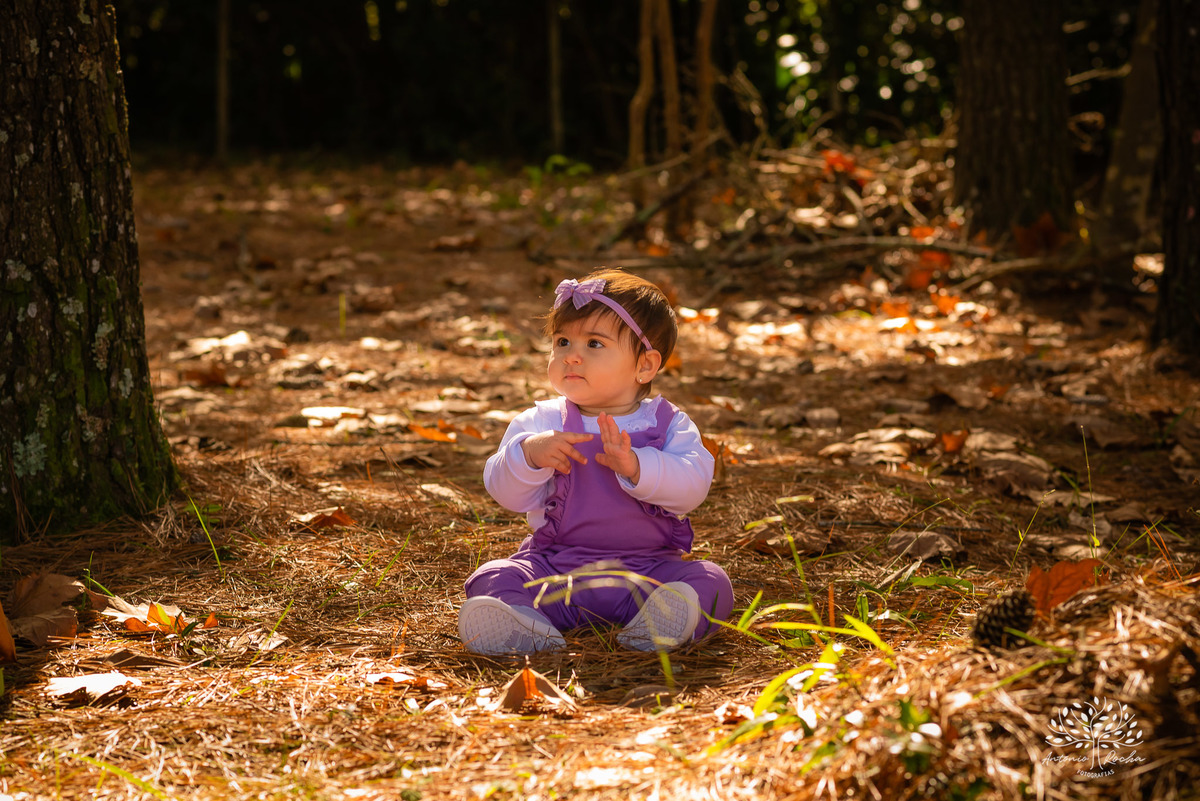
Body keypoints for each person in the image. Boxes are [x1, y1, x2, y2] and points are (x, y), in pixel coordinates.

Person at [459, 268, 734, 654]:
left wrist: (638, 466)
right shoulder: (542, 422)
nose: (571, 356)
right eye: (562, 341)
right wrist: (529, 456)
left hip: (649, 572)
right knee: (494, 575)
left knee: (711, 581)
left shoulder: (669, 424)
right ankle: (529, 628)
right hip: (557, 570)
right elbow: (504, 492)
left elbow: (693, 486)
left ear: (645, 365)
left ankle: (657, 623)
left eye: (594, 344)